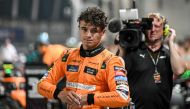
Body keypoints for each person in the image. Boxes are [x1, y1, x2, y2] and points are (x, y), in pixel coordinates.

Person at [37, 7, 130, 109]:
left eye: (94, 30)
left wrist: (89, 98)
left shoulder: (112, 61)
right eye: (84, 29)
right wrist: (60, 93)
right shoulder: (67, 55)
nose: (88, 35)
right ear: (79, 28)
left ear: (102, 33)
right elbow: (41, 85)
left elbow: (123, 96)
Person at [119, 13, 186, 109]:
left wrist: (171, 42)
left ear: (164, 30)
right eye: (149, 26)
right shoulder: (133, 51)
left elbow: (179, 71)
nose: (153, 30)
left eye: (157, 26)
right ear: (143, 29)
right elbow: (116, 71)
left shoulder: (169, 54)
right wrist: (122, 47)